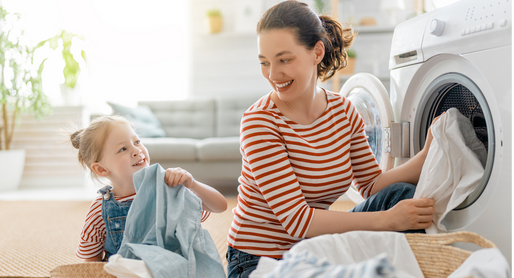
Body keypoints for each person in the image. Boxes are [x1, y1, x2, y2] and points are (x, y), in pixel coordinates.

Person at [226, 1, 437, 277]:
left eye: (284, 60)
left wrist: (428, 154)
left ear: (317, 52)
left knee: (400, 197)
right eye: (265, 63)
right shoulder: (260, 122)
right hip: (258, 261)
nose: (273, 75)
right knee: (392, 214)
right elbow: (297, 221)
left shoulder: (343, 111)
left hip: (316, 249)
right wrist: (388, 220)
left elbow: (372, 185)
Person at [72, 115, 228, 261]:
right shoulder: (100, 209)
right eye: (123, 149)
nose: (136, 150)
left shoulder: (169, 188)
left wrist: (192, 184)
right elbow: (91, 259)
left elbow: (220, 206)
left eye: (137, 142)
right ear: (101, 169)